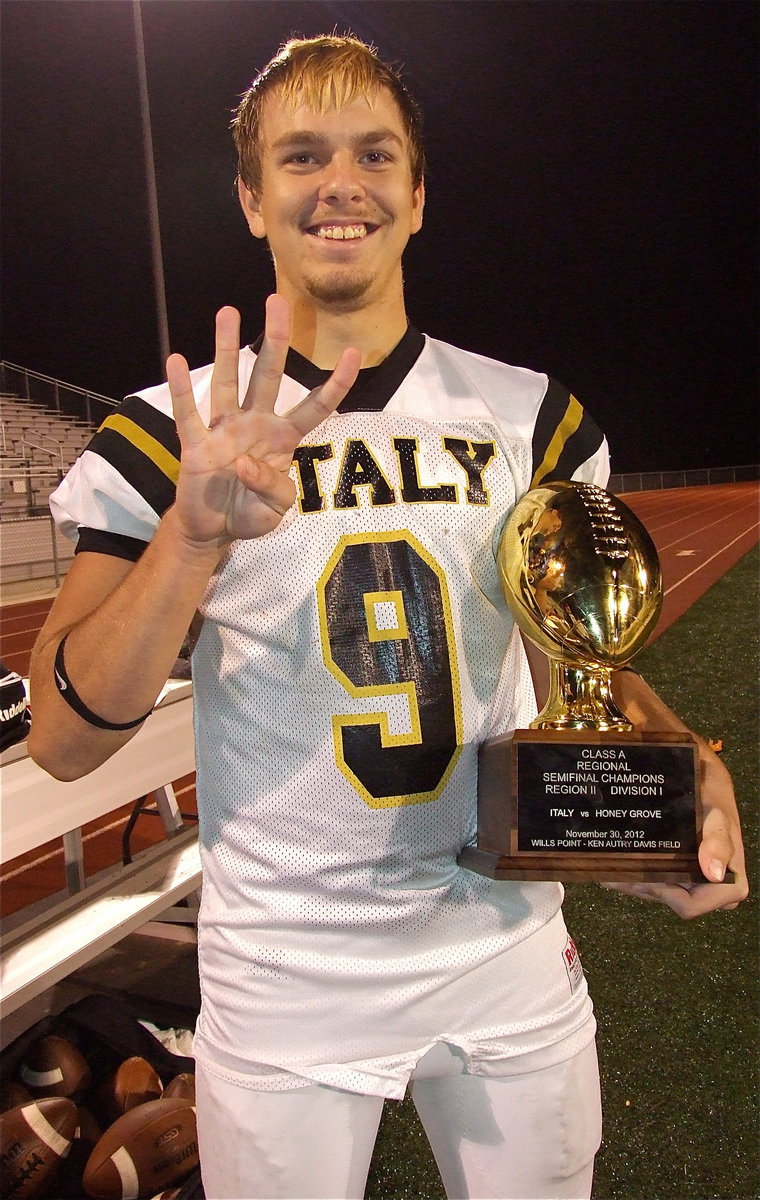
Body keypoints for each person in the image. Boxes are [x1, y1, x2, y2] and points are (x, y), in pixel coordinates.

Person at [28, 35, 747, 1200]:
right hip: (288, 964)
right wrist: (191, 535)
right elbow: (66, 743)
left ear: (417, 193)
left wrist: (677, 767)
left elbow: (580, 655)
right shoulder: (172, 432)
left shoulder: (533, 419)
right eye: (300, 157)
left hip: (501, 935)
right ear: (253, 198)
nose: (340, 184)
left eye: (374, 155)